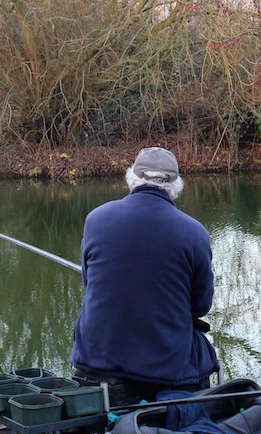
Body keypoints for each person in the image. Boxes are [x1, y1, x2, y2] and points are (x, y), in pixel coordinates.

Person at [71, 147, 219, 405]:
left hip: (98, 360)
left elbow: (88, 282)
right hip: (168, 368)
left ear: (132, 178)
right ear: (175, 186)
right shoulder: (195, 233)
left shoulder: (96, 219)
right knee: (200, 348)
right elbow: (201, 305)